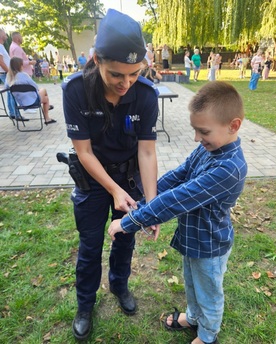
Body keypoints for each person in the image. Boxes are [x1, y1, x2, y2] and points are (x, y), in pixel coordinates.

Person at [108, 81, 248, 344]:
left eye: (203, 131)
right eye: (195, 130)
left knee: (209, 292)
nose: (197, 138)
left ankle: (207, 335)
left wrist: (129, 221)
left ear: (233, 125)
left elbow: (178, 199)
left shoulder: (229, 168)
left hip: (210, 244)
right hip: (193, 238)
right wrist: (143, 201)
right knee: (193, 283)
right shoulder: (210, 149)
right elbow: (179, 175)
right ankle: (194, 318)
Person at [61, 9, 159, 341]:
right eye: (116, 74)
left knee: (125, 238)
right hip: (93, 181)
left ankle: (120, 286)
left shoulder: (146, 95)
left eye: (134, 74)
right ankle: (85, 304)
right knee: (90, 246)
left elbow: (146, 151)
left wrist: (153, 204)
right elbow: (84, 151)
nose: (125, 84)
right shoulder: (75, 90)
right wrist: (113, 190)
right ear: (96, 59)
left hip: (128, 178)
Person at [6, 57, 56, 125]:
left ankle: (47, 113)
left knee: (45, 99)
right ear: (20, 66)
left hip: (22, 103)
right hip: (34, 102)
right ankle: (47, 116)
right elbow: (35, 87)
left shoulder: (9, 77)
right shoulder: (24, 75)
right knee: (43, 90)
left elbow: (7, 89)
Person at [0, 28, 17, 120]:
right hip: (5, 73)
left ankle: (13, 113)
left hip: (6, 73)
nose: (6, 35)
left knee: (10, 93)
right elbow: (1, 62)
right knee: (13, 92)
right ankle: (15, 113)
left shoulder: (1, 46)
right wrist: (9, 72)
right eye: (4, 33)